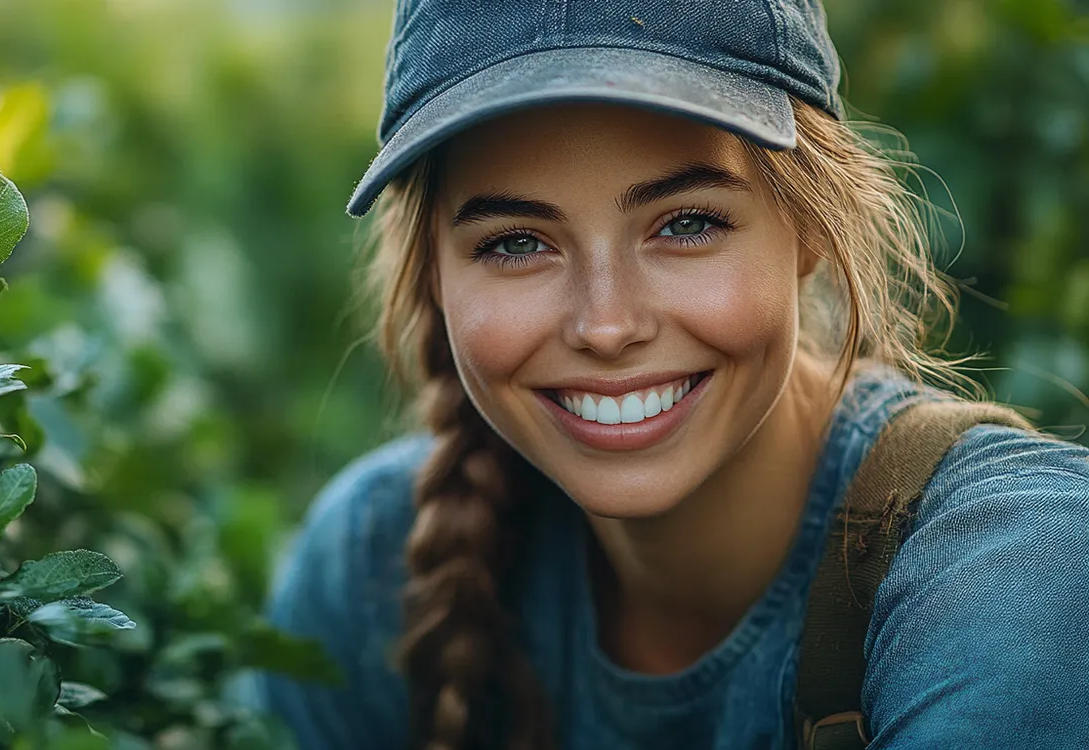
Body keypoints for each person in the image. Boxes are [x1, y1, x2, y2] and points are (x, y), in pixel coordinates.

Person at [248, 1, 1089, 748]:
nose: (607, 325)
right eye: (516, 242)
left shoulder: (1023, 574)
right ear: (433, 270)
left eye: (685, 224)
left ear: (810, 227)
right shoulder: (368, 570)